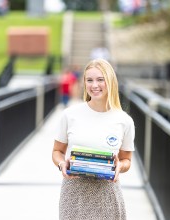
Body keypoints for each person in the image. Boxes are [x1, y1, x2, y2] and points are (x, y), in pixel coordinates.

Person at [52, 58, 135, 219]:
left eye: (100, 80)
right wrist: (62, 164)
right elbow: (57, 151)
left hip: (107, 196)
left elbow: (127, 160)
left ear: (110, 81)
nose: (94, 85)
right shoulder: (70, 115)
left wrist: (119, 167)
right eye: (89, 80)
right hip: (74, 196)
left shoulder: (124, 120)